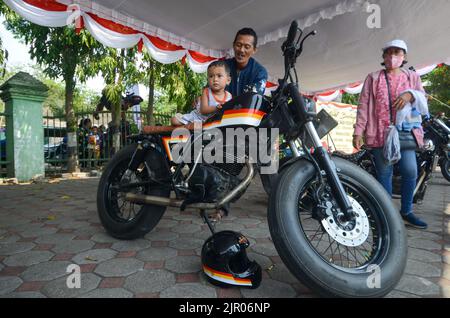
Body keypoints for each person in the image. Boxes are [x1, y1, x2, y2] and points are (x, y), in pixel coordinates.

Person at [353, 39, 428, 229]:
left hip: (405, 132)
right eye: (389, 52)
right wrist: (358, 131)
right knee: (384, 173)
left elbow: (423, 100)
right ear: (384, 56)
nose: (393, 56)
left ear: (404, 57)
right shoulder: (373, 77)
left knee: (410, 170)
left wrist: (410, 94)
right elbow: (363, 105)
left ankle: (406, 211)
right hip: (380, 133)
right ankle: (387, 216)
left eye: (398, 53)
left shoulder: (413, 77)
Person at [171, 60, 232, 126]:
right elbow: (203, 110)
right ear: (207, 80)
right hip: (198, 118)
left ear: (228, 80)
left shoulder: (229, 96)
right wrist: (216, 108)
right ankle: (190, 124)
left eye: (219, 76)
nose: (215, 79)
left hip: (214, 121)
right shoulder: (206, 92)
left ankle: (195, 126)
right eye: (211, 76)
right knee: (174, 120)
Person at [225, 27, 268, 96]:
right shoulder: (222, 67)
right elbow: (209, 93)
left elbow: (253, 100)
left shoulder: (259, 72)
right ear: (233, 45)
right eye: (238, 45)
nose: (241, 50)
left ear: (254, 50)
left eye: (247, 47)